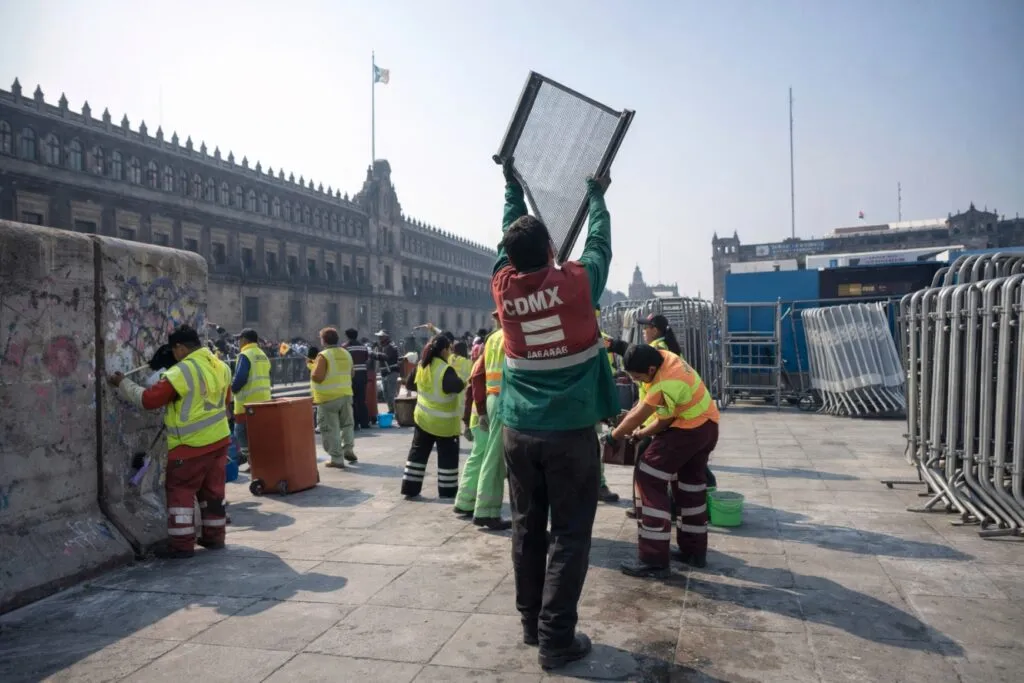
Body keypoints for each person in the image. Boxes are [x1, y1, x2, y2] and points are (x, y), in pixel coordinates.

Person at [492, 158, 617, 670]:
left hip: (519, 431)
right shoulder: (578, 285)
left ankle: (530, 623)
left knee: (527, 527)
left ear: (509, 259)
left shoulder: (502, 288)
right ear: (550, 250)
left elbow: (507, 239)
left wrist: (512, 191)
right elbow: (599, 244)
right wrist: (596, 196)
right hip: (569, 433)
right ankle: (556, 638)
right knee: (569, 533)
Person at [106, 325, 231, 559]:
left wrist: (122, 383)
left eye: (175, 350)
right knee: (213, 491)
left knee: (181, 492)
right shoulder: (220, 365)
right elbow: (225, 399)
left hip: (190, 445)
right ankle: (215, 537)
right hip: (220, 440)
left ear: (180, 348)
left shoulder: (181, 371)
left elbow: (149, 400)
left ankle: (182, 545)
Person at [610, 344, 720, 578]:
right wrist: (638, 431)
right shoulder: (664, 357)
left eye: (638, 377)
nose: (636, 381)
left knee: (649, 476)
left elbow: (652, 418)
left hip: (687, 431)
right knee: (690, 486)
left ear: (650, 370)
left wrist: (614, 436)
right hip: (707, 426)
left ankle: (654, 560)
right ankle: (694, 551)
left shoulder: (666, 382)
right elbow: (647, 410)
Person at [454, 324, 513, 531]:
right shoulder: (514, 333)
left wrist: (480, 410)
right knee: (494, 457)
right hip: (505, 399)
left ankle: (468, 503)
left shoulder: (493, 338)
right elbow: (477, 376)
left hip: (493, 398)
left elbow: (478, 375)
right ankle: (486, 511)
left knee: (486, 456)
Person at [402, 334, 466, 499]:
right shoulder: (445, 370)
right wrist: (463, 379)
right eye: (449, 349)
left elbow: (409, 384)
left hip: (423, 419)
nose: (450, 352)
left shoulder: (422, 365)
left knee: (417, 454)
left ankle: (410, 488)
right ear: (444, 350)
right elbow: (457, 386)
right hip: (444, 424)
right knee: (447, 458)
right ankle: (447, 491)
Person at [310, 327, 357, 468]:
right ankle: (348, 448)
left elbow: (317, 377)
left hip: (328, 398)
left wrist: (312, 367)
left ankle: (336, 458)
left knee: (331, 429)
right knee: (347, 424)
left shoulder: (323, 355)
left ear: (323, 340)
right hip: (346, 394)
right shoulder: (346, 353)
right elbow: (352, 373)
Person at [230, 328, 272, 467]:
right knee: (257, 434)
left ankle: (252, 461)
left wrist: (232, 389)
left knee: (240, 432)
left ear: (245, 340)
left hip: (247, 403)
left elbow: (241, 377)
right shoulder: (263, 355)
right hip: (264, 400)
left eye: (239, 339)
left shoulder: (245, 355)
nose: (238, 342)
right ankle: (259, 461)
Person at [343, 329, 371, 429]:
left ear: (347, 336)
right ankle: (365, 423)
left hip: (351, 376)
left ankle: (355, 423)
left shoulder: (345, 347)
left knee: (352, 401)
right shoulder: (363, 347)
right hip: (362, 375)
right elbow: (366, 359)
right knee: (361, 400)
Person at [373, 329, 401, 414]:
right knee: (385, 394)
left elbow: (386, 357)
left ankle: (395, 412)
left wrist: (373, 354)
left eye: (381, 336)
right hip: (384, 373)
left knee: (391, 394)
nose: (379, 338)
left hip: (392, 372)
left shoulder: (391, 346)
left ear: (386, 337)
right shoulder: (382, 346)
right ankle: (391, 410)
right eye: (379, 337)